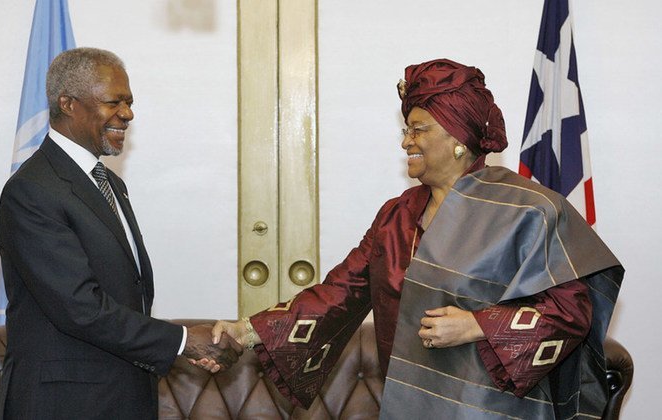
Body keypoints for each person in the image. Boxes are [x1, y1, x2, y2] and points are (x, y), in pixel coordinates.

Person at [210, 59, 623, 419]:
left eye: (418, 129)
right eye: (406, 130)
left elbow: (570, 314)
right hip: (409, 403)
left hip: (494, 410)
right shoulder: (398, 216)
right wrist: (245, 331)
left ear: (458, 137)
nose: (406, 140)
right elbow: (340, 293)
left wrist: (476, 324)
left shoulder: (527, 210)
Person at [0, 47, 241, 420]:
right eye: (115, 102)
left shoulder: (107, 182)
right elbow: (80, 308)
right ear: (69, 104)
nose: (127, 114)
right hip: (65, 404)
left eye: (129, 102)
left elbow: (124, 292)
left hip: (122, 394)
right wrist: (184, 341)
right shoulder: (32, 190)